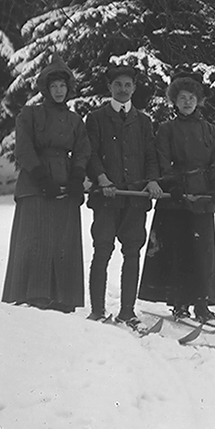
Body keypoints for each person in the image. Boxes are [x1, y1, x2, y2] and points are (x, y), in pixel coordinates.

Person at [2, 60, 91, 312]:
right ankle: (32, 294)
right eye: (54, 85)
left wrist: (76, 179)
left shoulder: (74, 120)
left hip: (64, 183)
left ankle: (63, 298)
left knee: (63, 241)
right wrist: (41, 177)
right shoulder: (30, 114)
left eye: (63, 85)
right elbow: (23, 149)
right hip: (35, 182)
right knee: (36, 239)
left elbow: (83, 151)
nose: (59, 90)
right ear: (45, 88)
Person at [138, 77, 215, 322]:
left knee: (201, 251)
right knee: (178, 250)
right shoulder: (167, 129)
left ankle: (201, 303)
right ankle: (179, 303)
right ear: (174, 102)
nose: (187, 103)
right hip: (174, 198)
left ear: (198, 101)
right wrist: (171, 182)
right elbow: (162, 159)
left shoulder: (210, 130)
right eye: (182, 98)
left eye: (192, 98)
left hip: (201, 197)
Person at [84, 64, 165, 327]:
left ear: (134, 88)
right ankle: (97, 310)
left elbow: (151, 155)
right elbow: (91, 153)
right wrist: (102, 178)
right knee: (102, 250)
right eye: (118, 84)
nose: (123, 89)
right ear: (110, 87)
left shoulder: (143, 121)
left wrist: (152, 180)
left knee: (133, 252)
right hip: (107, 197)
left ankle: (127, 311)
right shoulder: (96, 118)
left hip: (135, 197)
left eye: (128, 84)